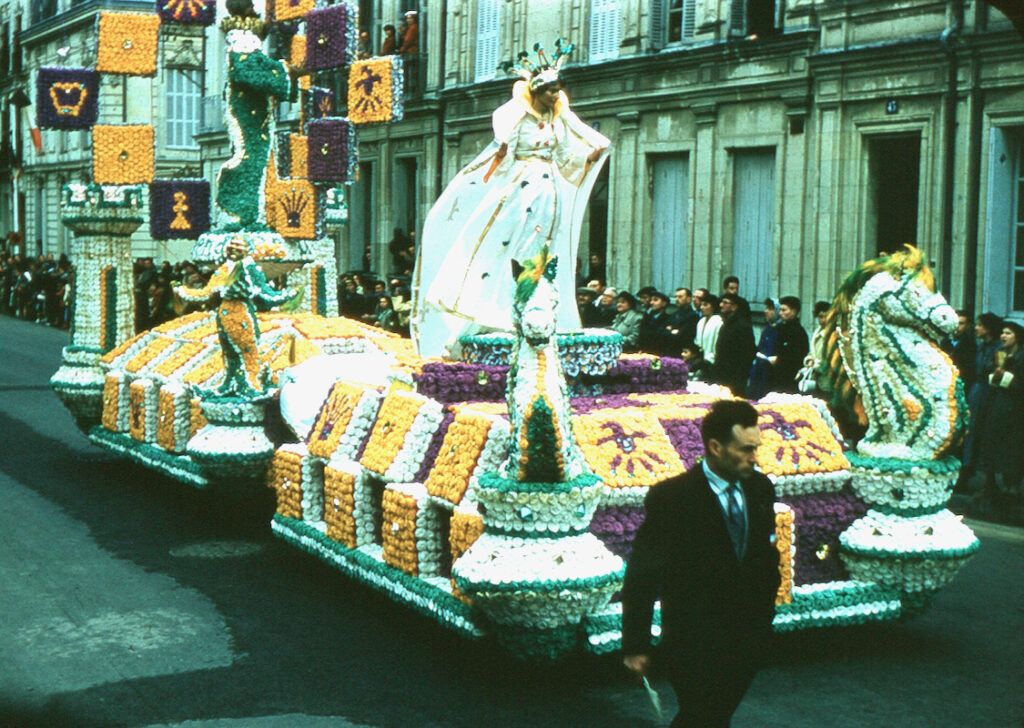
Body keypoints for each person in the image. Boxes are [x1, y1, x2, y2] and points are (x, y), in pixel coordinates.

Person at [412, 46, 609, 358]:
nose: (555, 96)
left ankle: (538, 311)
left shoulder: (557, 123)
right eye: (550, 91)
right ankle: (496, 317)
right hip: (522, 187)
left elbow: (565, 160)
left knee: (542, 252)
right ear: (538, 92)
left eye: (558, 90)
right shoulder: (518, 121)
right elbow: (503, 162)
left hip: (549, 191)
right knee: (510, 248)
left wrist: (588, 157)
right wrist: (503, 152)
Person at [622, 399, 781, 728]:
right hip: (692, 641)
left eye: (756, 448)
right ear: (715, 447)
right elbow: (643, 574)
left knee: (713, 717)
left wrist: (764, 618)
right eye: (746, 449)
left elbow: (766, 557)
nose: (755, 457)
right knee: (703, 715)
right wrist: (635, 645)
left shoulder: (761, 489)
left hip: (746, 640)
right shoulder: (673, 498)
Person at [974, 321, 1024, 513]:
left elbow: (1019, 384)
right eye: (1002, 333)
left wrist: (1005, 377)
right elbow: (989, 375)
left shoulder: (1021, 356)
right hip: (997, 404)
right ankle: (991, 484)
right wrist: (996, 375)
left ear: (1017, 336)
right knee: (992, 442)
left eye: (1008, 333)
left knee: (1013, 447)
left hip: (1015, 408)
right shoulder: (1000, 354)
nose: (1003, 336)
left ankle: (1013, 486)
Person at [961, 312, 1003, 483]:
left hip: (989, 391)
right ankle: (967, 467)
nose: (976, 328)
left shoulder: (998, 348)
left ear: (988, 328)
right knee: (970, 428)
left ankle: (984, 474)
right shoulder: (981, 346)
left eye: (980, 325)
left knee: (983, 430)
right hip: (977, 390)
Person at [715, 292, 756, 396]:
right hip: (722, 372)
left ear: (734, 307)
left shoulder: (742, 326)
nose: (721, 305)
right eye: (721, 302)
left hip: (735, 376)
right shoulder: (726, 324)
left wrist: (740, 374)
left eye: (725, 303)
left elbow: (748, 351)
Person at [770, 296, 809, 393]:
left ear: (794, 311)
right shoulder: (780, 328)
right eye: (780, 310)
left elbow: (797, 356)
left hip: (790, 379)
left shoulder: (799, 332)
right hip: (777, 376)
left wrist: (779, 359)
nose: (780, 313)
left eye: (784, 310)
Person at [746, 298, 779, 399]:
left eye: (770, 309)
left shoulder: (780, 330)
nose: (766, 311)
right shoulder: (766, 329)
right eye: (766, 308)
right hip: (758, 370)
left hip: (770, 374)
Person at [945, 310, 977, 391]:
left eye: (961, 323)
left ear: (967, 326)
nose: (957, 326)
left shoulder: (971, 346)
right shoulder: (944, 342)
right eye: (955, 323)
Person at [695, 293, 723, 372]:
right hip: (700, 359)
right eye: (701, 305)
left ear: (713, 307)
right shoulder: (701, 321)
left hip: (712, 362)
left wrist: (709, 359)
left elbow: (717, 344)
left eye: (705, 305)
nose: (701, 307)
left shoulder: (718, 322)